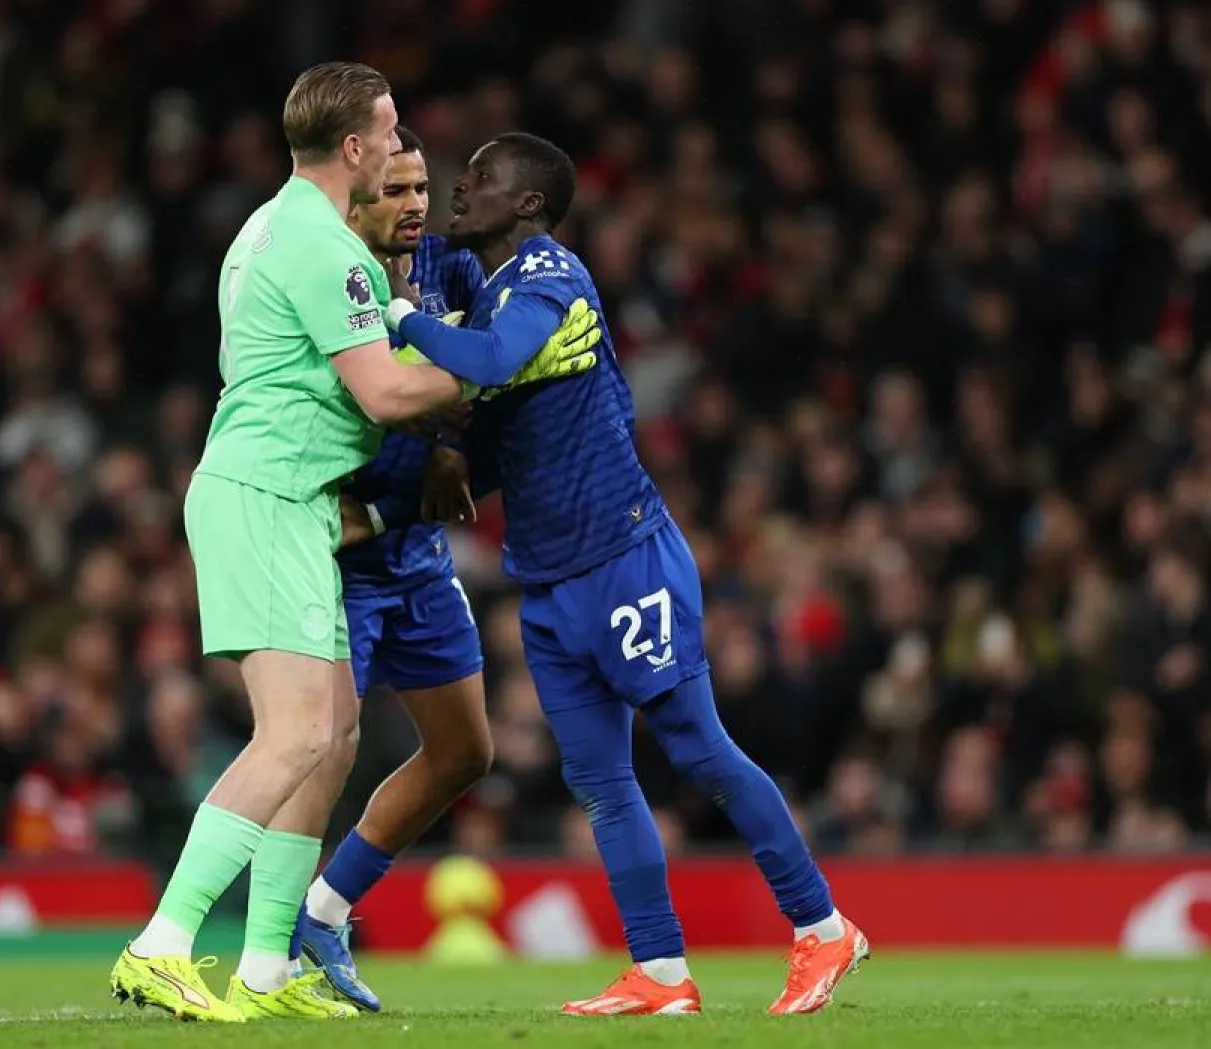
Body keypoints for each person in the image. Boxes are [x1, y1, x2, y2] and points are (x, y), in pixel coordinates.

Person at [110, 67, 597, 1024]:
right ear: (355, 149)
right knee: (292, 733)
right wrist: (506, 363)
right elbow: (382, 393)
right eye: (387, 129)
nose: (398, 141)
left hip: (284, 497)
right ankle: (162, 943)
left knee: (329, 736)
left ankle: (263, 968)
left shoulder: (270, 227)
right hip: (272, 495)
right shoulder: (321, 244)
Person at [371, 132, 869, 1016]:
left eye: (480, 180)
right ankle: (661, 972)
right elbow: (390, 245)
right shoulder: (471, 273)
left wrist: (399, 321)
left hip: (623, 556)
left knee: (699, 749)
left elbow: (485, 361)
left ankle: (823, 926)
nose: (458, 191)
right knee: (600, 782)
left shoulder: (551, 279)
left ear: (528, 204)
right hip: (550, 579)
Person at [295, 127, 490, 1013]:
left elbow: (493, 380)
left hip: (415, 551)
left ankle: (323, 913)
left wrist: (454, 446)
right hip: (341, 553)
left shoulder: (453, 272)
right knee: (318, 753)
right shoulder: (332, 276)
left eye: (423, 189)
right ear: (358, 196)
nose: (414, 204)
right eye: (396, 189)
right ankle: (274, 950)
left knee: (464, 750)